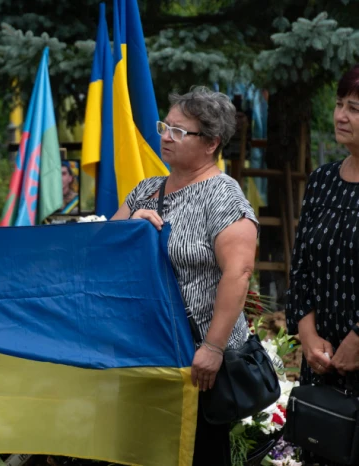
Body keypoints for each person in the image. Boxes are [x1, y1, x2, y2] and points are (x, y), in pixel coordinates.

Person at [112, 86, 258, 466]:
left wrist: (212, 348)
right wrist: (131, 226)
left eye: (179, 131)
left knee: (198, 453)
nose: (164, 136)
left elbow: (238, 273)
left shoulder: (223, 196)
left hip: (197, 363)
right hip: (145, 352)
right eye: (165, 126)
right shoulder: (146, 189)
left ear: (211, 143)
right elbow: (102, 248)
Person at [285, 64, 359, 466]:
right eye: (339, 104)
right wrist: (308, 334)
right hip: (322, 363)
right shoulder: (322, 180)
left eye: (355, 108)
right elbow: (301, 269)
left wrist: (358, 337)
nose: (341, 115)